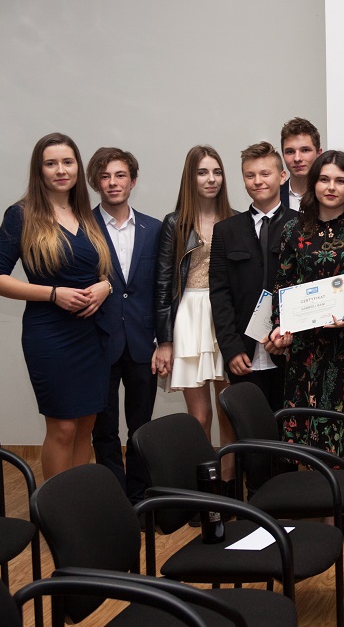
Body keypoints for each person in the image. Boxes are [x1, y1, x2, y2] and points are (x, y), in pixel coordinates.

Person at [0, 132, 113, 479]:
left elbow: (103, 269)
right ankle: (55, 507)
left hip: (92, 334)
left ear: (77, 168)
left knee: (86, 424)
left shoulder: (87, 215)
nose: (60, 170)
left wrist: (105, 286)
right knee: (63, 427)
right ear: (39, 170)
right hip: (50, 336)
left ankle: (76, 500)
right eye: (51, 163)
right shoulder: (21, 214)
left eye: (67, 162)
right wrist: (53, 294)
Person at [266, 151, 344, 546]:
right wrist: (281, 327)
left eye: (340, 180)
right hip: (306, 353)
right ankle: (320, 515)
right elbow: (283, 285)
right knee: (309, 432)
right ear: (313, 185)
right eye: (324, 179)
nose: (331, 187)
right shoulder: (294, 229)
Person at [88, 147, 163, 503]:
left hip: (142, 343)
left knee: (140, 427)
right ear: (95, 183)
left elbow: (162, 289)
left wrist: (163, 340)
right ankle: (114, 502)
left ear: (133, 181)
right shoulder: (81, 228)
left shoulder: (155, 228)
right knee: (103, 430)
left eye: (120, 175)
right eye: (105, 176)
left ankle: (139, 498)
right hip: (97, 343)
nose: (113, 182)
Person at [155, 145, 233, 475]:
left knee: (230, 411)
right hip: (188, 317)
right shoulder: (175, 223)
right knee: (199, 417)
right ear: (191, 177)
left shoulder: (235, 219)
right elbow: (163, 283)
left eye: (217, 172)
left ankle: (229, 484)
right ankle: (205, 488)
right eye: (202, 172)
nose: (211, 179)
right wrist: (165, 341)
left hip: (226, 317)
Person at [210, 142, 290, 413]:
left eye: (265, 174)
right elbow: (219, 293)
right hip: (243, 354)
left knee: (289, 427)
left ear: (282, 176)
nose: (257, 181)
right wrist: (230, 348)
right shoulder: (226, 230)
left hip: (287, 351)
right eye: (250, 175)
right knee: (248, 430)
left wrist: (289, 335)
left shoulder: (301, 226)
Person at [279, 117, 322, 211]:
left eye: (305, 150)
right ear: (283, 155)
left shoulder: (330, 195)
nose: (297, 158)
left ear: (319, 154)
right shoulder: (273, 197)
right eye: (290, 152)